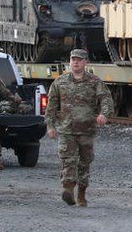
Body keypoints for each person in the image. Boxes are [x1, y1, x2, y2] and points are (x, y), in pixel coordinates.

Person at [45, 49, 114, 207]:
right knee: (68, 160)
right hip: (66, 130)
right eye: (73, 59)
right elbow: (51, 106)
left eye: (79, 59)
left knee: (84, 163)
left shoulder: (94, 82)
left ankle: (81, 194)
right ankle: (68, 189)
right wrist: (50, 125)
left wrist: (104, 114)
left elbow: (105, 99)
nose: (75, 62)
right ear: (69, 62)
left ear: (85, 62)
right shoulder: (60, 82)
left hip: (86, 129)